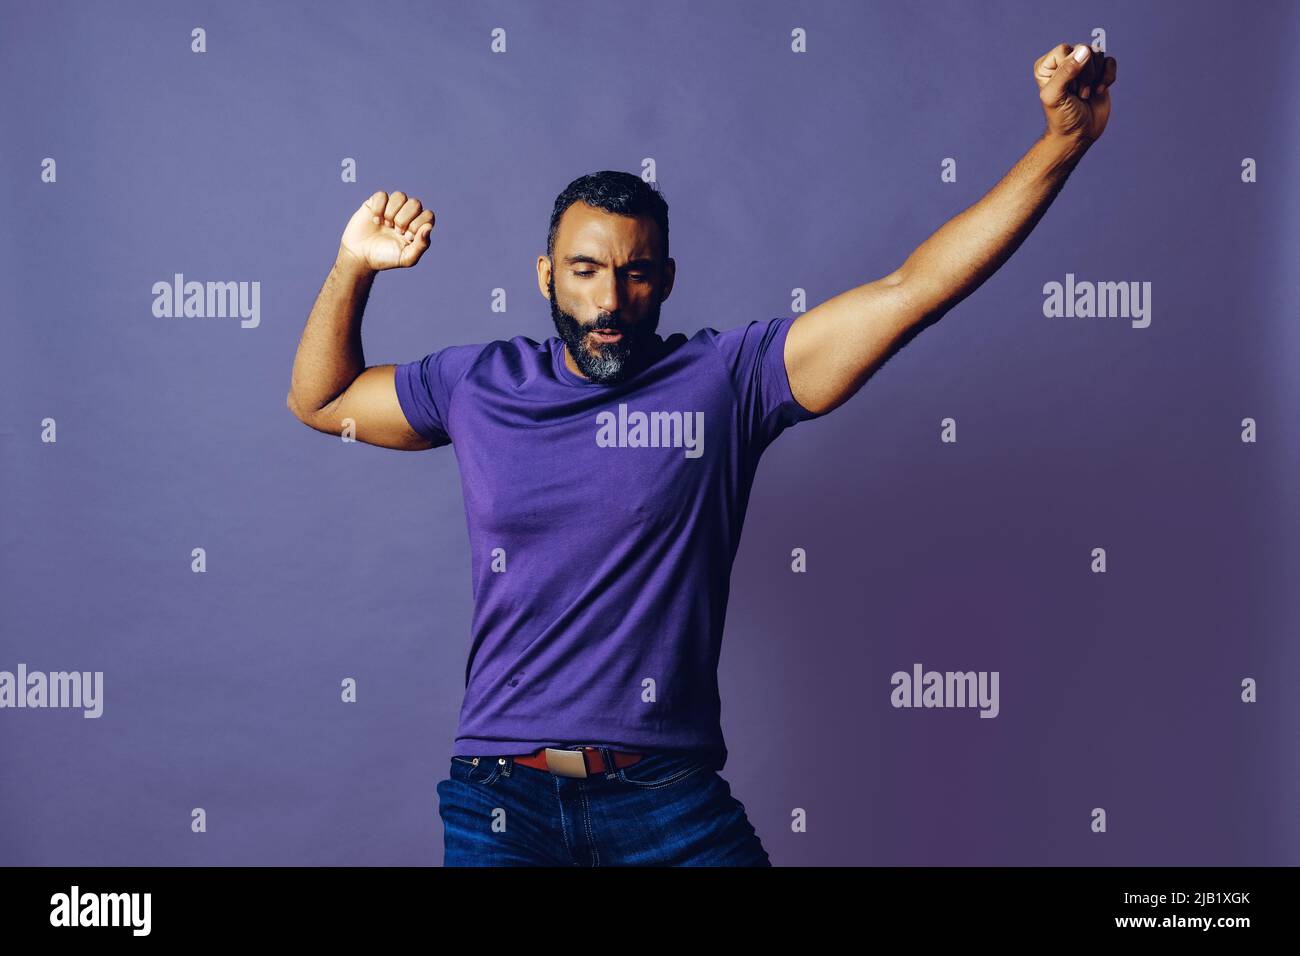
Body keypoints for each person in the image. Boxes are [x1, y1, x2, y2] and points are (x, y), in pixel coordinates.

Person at [287, 43, 1116, 866]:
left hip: (668, 799)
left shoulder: (726, 380)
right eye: (584, 271)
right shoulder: (478, 384)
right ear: (545, 276)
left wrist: (1062, 144)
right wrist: (354, 265)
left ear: (667, 280)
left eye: (635, 274)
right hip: (502, 795)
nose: (609, 301)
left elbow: (912, 291)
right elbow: (321, 400)